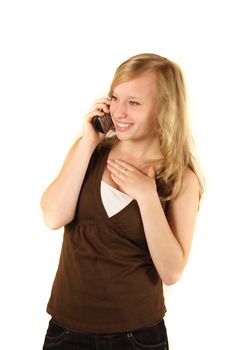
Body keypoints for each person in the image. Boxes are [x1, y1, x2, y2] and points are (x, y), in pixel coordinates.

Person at [41, 53, 204, 350]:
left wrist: (146, 196)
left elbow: (171, 272)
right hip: (66, 331)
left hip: (138, 336)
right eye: (115, 98)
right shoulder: (88, 150)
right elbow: (53, 216)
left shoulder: (181, 179)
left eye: (135, 103)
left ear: (163, 109)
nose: (119, 112)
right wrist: (89, 142)